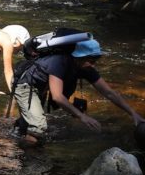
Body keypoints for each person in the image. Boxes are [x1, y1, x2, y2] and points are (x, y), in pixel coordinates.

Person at [12, 39, 145, 146]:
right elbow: (58, 96)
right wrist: (83, 116)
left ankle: (16, 137)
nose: (93, 66)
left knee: (30, 123)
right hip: (25, 85)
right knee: (38, 127)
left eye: (95, 62)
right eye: (91, 61)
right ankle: (28, 161)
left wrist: (133, 113)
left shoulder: (85, 67)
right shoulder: (59, 62)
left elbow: (109, 93)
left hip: (40, 86)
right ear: (79, 57)